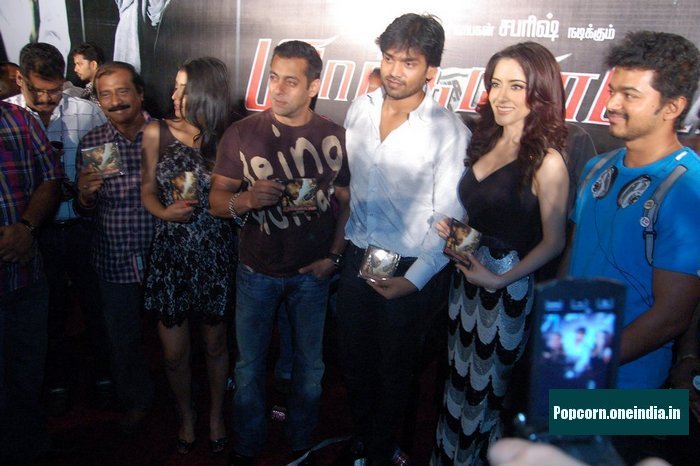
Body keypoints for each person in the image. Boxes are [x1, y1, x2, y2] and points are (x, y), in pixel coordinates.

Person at [210, 40, 350, 465]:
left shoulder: (335, 136)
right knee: (249, 367)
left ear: (313, 87)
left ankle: (301, 442)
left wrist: (334, 257)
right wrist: (247, 200)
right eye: (274, 77)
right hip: (256, 271)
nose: (278, 88)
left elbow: (349, 203)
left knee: (310, 369)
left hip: (312, 275)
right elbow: (216, 200)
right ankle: (247, 445)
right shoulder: (242, 133)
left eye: (291, 81)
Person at [336, 13, 469, 465]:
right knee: (352, 360)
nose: (394, 70)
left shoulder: (448, 131)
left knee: (395, 370)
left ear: (431, 70)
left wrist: (414, 280)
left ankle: (381, 451)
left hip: (412, 263)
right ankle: (364, 437)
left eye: (408, 62)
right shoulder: (360, 109)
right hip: (360, 252)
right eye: (389, 58)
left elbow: (450, 219)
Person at [432, 42, 570, 466]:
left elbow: (554, 241)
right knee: (456, 385)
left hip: (507, 292)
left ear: (540, 92)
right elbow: (486, 215)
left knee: (486, 397)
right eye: (495, 84)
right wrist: (457, 231)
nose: (502, 96)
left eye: (516, 86)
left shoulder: (547, 161)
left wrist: (499, 279)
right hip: (465, 284)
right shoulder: (486, 140)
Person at [567, 31, 700, 463]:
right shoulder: (596, 167)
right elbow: (575, 260)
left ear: (672, 107)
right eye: (612, 90)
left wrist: (585, 361)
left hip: (633, 396)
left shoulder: (690, 188)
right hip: (572, 371)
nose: (611, 104)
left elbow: (672, 316)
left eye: (630, 94)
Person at [4, 42, 110, 416]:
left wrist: (92, 187)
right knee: (48, 316)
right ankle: (56, 383)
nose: (47, 100)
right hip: (35, 234)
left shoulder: (89, 113)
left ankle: (104, 378)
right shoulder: (9, 116)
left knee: (96, 309)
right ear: (20, 79)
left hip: (83, 228)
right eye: (38, 91)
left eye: (54, 90)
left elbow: (109, 169)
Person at [141, 57, 234, 454]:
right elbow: (147, 190)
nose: (174, 95)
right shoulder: (156, 131)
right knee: (174, 354)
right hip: (171, 253)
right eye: (175, 86)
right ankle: (186, 415)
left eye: (184, 88)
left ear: (207, 93)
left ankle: (215, 415)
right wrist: (164, 212)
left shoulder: (229, 137)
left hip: (215, 252)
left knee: (215, 345)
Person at [74, 61, 156, 434]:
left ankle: (185, 399)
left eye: (123, 91)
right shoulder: (93, 143)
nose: (115, 101)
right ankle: (137, 401)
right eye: (105, 94)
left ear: (140, 93)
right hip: (115, 259)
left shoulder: (167, 136)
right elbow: (86, 211)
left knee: (177, 338)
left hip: (163, 257)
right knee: (122, 340)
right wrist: (85, 197)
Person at [0, 101, 63, 461]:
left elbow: (51, 177)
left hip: (25, 276)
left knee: (27, 374)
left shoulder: (21, 120)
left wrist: (26, 228)